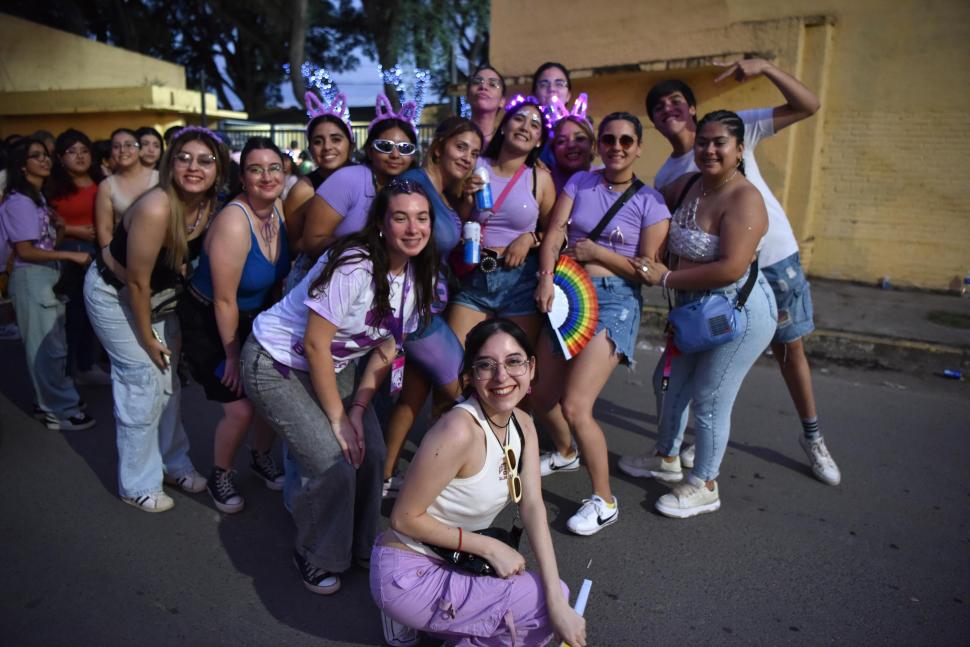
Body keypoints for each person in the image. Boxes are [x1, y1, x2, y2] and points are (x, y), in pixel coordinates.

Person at [643, 59, 841, 486]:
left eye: (676, 100)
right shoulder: (670, 174)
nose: (668, 108)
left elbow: (809, 105)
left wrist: (766, 68)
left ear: (693, 109)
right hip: (716, 283)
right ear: (655, 123)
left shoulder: (733, 129)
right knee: (711, 363)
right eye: (658, 106)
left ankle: (813, 437)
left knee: (790, 352)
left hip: (773, 261)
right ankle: (694, 444)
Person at [242, 178, 438, 595]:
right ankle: (316, 554)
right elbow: (315, 343)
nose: (413, 228)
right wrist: (337, 419)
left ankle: (361, 546)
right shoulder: (355, 265)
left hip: (338, 364)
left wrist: (358, 411)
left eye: (422, 218)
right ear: (381, 225)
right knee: (332, 459)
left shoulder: (420, 273)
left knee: (373, 453)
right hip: (277, 362)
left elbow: (387, 346)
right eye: (400, 217)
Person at [372, 318, 587, 647]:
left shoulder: (524, 425)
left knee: (555, 597)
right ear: (470, 376)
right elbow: (402, 518)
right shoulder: (459, 430)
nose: (502, 376)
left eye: (514, 361)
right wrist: (490, 547)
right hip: (408, 571)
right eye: (486, 366)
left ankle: (453, 630)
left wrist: (558, 599)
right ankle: (408, 614)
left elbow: (531, 506)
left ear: (531, 367)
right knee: (538, 606)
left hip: (457, 562)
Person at [620, 110, 777, 518]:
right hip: (692, 311)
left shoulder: (745, 198)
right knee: (668, 383)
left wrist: (666, 276)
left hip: (737, 313)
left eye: (719, 142)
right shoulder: (688, 184)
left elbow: (731, 267)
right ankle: (666, 457)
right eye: (703, 141)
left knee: (710, 398)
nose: (708, 149)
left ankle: (705, 483)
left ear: (739, 149)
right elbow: (644, 201)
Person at [534, 112, 670, 535]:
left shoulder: (652, 202)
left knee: (576, 405)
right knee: (540, 395)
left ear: (639, 147)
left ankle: (604, 500)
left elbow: (648, 271)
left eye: (626, 141)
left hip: (615, 303)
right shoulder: (579, 184)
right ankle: (565, 450)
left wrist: (597, 253)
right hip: (567, 293)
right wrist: (545, 277)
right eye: (608, 139)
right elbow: (555, 231)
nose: (616, 147)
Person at [84, 126, 229, 512]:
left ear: (218, 169)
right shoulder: (157, 206)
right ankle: (137, 484)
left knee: (168, 384)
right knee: (142, 380)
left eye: (204, 160)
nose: (193, 167)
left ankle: (173, 463)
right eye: (183, 158)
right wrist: (147, 338)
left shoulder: (211, 205)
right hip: (115, 294)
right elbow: (136, 281)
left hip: (159, 297)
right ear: (170, 164)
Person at [178, 137, 290, 513]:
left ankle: (260, 456)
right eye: (256, 169)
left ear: (285, 172)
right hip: (210, 319)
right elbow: (224, 300)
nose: (266, 176)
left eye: (274, 167)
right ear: (243, 178)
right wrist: (231, 356)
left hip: (254, 318)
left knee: (271, 395)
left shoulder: (278, 211)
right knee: (240, 406)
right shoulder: (233, 222)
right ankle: (220, 473)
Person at [382, 116, 483, 497]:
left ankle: (384, 475)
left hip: (431, 305)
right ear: (438, 146)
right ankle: (438, 483)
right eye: (461, 147)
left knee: (413, 396)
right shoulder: (412, 186)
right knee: (464, 391)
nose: (468, 158)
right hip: (415, 312)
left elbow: (451, 251)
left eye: (475, 153)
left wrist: (469, 205)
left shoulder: (442, 192)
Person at [447, 96, 556, 351]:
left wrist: (529, 238)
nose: (525, 126)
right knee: (454, 364)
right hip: (473, 276)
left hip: (520, 281)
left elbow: (556, 232)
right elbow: (452, 220)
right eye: (518, 118)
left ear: (539, 140)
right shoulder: (474, 165)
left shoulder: (541, 179)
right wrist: (465, 198)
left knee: (513, 366)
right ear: (504, 127)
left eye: (534, 124)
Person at [1, 138, 96, 430]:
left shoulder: (36, 198)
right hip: (31, 276)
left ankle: (54, 401)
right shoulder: (19, 201)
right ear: (21, 165)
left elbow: (43, 243)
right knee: (46, 348)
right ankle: (57, 410)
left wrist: (58, 228)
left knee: (54, 345)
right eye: (35, 156)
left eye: (46, 155)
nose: (45, 160)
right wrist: (69, 253)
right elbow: (26, 251)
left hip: (45, 274)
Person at [301, 101, 419, 259]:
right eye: (385, 146)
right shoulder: (347, 179)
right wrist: (365, 246)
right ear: (369, 151)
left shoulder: (414, 187)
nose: (395, 155)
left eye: (405, 148)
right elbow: (312, 243)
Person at [48, 128, 110, 386]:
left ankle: (87, 365)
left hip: (99, 252)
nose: (79, 156)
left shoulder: (101, 181)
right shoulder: (52, 186)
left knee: (93, 313)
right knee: (70, 315)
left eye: (84, 150)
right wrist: (74, 230)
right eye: (71, 152)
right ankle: (68, 370)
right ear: (60, 158)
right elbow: (45, 222)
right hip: (68, 255)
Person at [282, 105, 355, 261]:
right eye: (318, 141)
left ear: (351, 145)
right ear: (310, 148)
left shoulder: (368, 178)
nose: (327, 147)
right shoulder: (303, 191)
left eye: (336, 139)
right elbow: (293, 247)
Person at [95, 128, 159, 247]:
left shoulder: (159, 179)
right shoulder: (107, 186)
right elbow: (105, 231)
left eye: (129, 145)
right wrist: (113, 260)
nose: (123, 150)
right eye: (116, 146)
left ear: (140, 150)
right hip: (123, 251)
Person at [531, 61, 573, 168]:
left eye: (559, 84)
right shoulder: (528, 129)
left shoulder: (580, 129)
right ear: (535, 95)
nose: (552, 89)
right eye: (544, 84)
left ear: (568, 95)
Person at [549, 104, 597, 194]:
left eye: (579, 138)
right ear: (553, 149)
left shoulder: (605, 180)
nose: (571, 145)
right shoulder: (541, 183)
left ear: (592, 145)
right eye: (561, 141)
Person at [465, 64, 506, 149]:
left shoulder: (505, 145)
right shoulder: (452, 136)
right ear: (467, 96)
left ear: (502, 101)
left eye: (492, 84)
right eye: (477, 82)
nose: (483, 87)